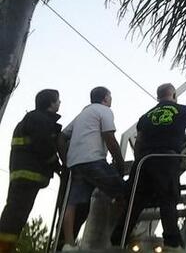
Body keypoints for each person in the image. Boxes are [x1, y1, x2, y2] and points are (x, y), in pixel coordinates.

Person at [111, 83, 186, 252]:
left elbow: (139, 142)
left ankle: (116, 240)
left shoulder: (145, 116)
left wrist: (139, 161)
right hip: (167, 159)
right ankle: (172, 244)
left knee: (135, 203)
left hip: (144, 161)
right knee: (168, 199)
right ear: (173, 95)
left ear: (158, 97)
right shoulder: (182, 110)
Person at [59, 86, 126, 251]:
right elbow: (109, 137)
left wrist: (66, 159)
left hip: (75, 163)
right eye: (110, 97)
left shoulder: (82, 115)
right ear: (104, 98)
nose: (111, 99)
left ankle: (68, 244)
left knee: (72, 203)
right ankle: (116, 234)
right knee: (125, 194)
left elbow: (61, 136)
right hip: (94, 160)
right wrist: (119, 162)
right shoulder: (104, 111)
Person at [0, 90, 62, 253]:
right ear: (50, 103)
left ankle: (7, 246)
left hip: (24, 175)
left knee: (17, 214)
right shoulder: (38, 119)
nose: (59, 103)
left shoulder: (33, 119)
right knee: (15, 214)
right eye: (57, 101)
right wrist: (56, 165)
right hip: (28, 175)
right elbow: (43, 144)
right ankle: (3, 247)